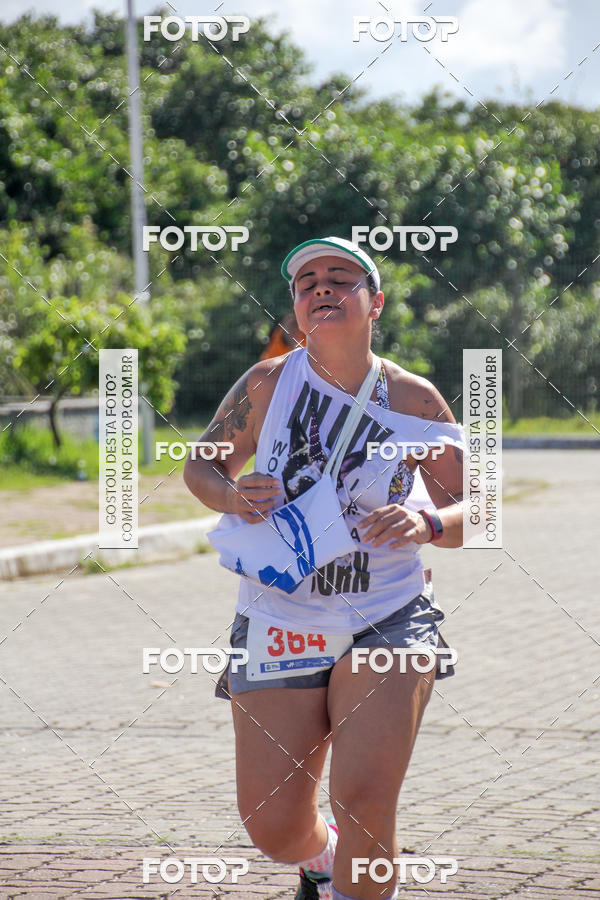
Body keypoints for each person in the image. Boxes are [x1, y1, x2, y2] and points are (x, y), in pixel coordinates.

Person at [184, 236, 465, 900]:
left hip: (387, 617)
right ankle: (320, 858)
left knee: (364, 801)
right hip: (280, 616)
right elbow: (200, 464)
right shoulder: (265, 383)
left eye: (342, 277)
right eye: (306, 281)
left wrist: (425, 522)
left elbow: (477, 513)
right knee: (273, 826)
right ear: (295, 308)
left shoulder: (415, 400)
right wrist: (231, 495)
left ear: (376, 303)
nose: (321, 287)